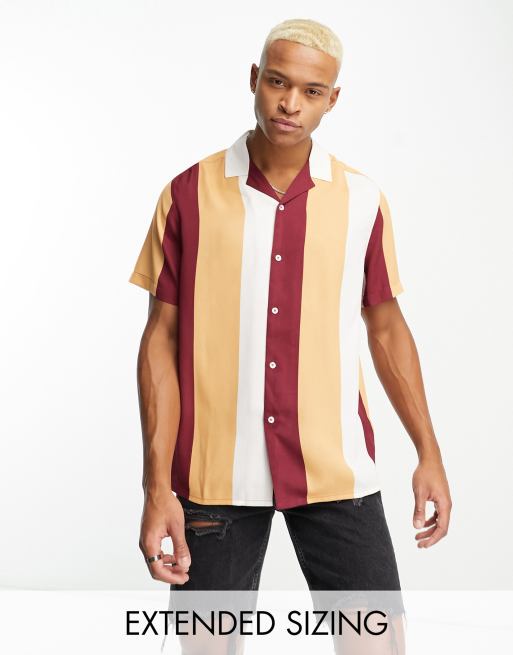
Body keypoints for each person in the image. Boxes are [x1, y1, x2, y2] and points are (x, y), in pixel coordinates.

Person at [128, 17, 452, 654]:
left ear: (333, 99)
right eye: (277, 82)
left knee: (378, 644)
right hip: (213, 475)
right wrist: (156, 487)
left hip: (336, 469)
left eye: (311, 91)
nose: (290, 103)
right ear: (255, 79)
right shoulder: (187, 195)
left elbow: (387, 327)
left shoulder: (362, 199)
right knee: (205, 648)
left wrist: (429, 452)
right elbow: (159, 342)